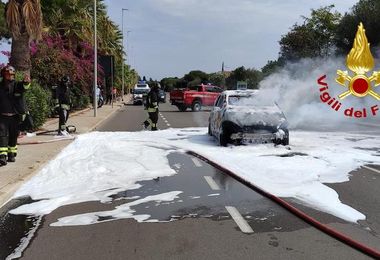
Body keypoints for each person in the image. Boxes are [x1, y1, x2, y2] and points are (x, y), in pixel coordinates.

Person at [0, 65, 31, 166]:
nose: (10, 76)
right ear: (4, 75)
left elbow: (24, 87)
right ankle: (2, 157)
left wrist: (26, 82)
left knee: (13, 135)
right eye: (8, 75)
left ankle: (11, 154)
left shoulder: (17, 85)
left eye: (12, 75)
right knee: (2, 136)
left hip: (15, 116)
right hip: (2, 117)